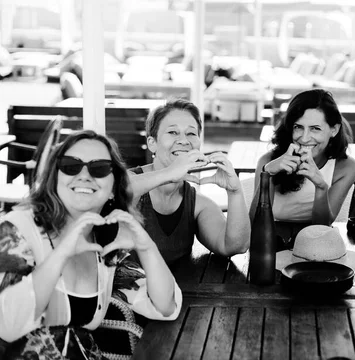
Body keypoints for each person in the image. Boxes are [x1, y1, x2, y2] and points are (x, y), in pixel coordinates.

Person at [0, 130, 182, 359]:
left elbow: (165, 305)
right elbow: (5, 325)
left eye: (99, 168)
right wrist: (62, 254)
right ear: (54, 177)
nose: (85, 175)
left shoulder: (104, 239)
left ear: (113, 185)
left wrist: (146, 248)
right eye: (70, 165)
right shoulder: (19, 230)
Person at [128, 99, 250, 265]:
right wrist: (169, 173)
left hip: (177, 290)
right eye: (172, 132)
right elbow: (114, 191)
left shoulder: (197, 204)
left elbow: (235, 246)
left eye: (191, 133)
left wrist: (235, 192)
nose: (184, 140)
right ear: (152, 143)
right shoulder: (129, 181)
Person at [251, 89, 355, 246]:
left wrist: (320, 186)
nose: (305, 137)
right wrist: (267, 176)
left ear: (333, 130)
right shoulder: (269, 161)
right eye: (298, 127)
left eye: (315, 128)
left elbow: (322, 227)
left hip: (317, 244)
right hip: (271, 240)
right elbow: (254, 222)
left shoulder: (346, 167)